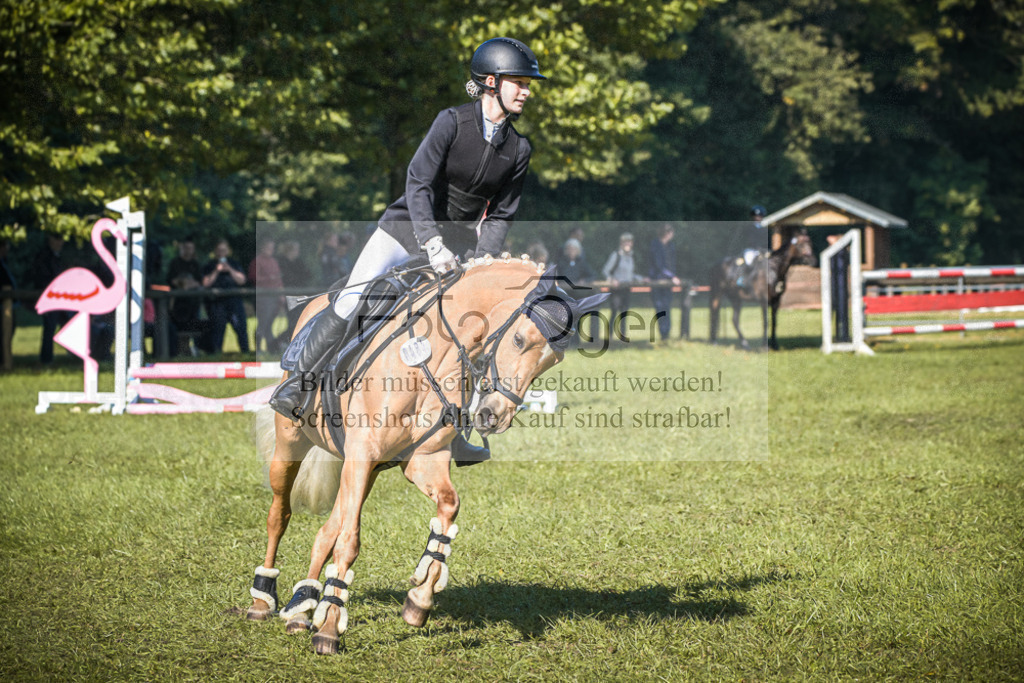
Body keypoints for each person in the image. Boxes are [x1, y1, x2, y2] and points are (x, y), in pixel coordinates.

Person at [270, 36, 546, 433]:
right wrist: (431, 242)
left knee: (467, 331)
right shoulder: (451, 122)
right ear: (490, 82)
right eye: (519, 82)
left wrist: (484, 263)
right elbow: (418, 183)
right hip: (402, 232)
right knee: (352, 300)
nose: (526, 90)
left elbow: (501, 215)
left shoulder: (518, 148)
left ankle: (455, 427)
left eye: (527, 84)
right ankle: (297, 386)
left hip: (460, 249)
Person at [201, 239, 249, 353]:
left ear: (228, 251)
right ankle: (216, 355)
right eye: (219, 250)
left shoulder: (234, 264)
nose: (221, 252)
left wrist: (230, 269)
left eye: (224, 250)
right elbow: (206, 283)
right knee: (217, 331)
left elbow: (242, 280)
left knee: (241, 328)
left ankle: (246, 353)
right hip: (217, 303)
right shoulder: (210, 265)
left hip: (234, 302)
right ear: (215, 251)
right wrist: (217, 271)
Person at [33, 233, 71, 363]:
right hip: (51, 298)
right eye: (58, 239)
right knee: (50, 327)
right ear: (50, 239)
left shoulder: (56, 256)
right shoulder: (45, 257)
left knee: (66, 324)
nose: (61, 243)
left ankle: (73, 354)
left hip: (59, 297)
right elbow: (44, 278)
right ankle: (46, 358)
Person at [166, 236, 207, 355]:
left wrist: (189, 285)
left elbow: (200, 281)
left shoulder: (196, 264)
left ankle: (196, 350)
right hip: (178, 303)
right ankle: (181, 349)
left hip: (194, 303)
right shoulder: (175, 263)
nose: (188, 251)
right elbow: (170, 280)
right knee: (179, 326)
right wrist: (182, 283)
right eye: (186, 248)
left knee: (195, 324)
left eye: (190, 248)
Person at [601, 232, 640, 341]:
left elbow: (631, 274)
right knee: (614, 311)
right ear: (621, 243)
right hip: (616, 288)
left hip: (627, 288)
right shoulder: (616, 255)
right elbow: (606, 270)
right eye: (625, 241)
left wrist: (641, 279)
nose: (628, 244)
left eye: (629, 242)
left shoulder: (631, 256)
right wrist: (612, 280)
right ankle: (609, 337)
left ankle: (622, 336)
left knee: (624, 312)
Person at [248, 237, 284, 353]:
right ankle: (258, 348)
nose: (270, 250)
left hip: (274, 296)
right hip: (263, 296)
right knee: (263, 322)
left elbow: (279, 279)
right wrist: (268, 279)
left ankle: (270, 347)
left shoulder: (274, 261)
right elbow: (254, 278)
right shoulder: (257, 261)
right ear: (263, 248)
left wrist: (281, 293)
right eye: (268, 247)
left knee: (270, 322)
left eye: (272, 248)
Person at [648, 224, 681, 342]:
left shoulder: (670, 246)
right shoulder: (655, 245)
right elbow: (658, 265)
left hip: (668, 282)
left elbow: (672, 263)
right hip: (657, 280)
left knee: (667, 306)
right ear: (667, 233)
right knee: (659, 306)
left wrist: (672, 276)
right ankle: (663, 333)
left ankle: (666, 334)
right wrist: (672, 276)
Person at [730, 205, 773, 289]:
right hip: (751, 250)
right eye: (756, 216)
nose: (758, 218)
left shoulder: (765, 229)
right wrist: (756, 247)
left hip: (763, 251)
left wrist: (769, 249)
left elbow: (768, 241)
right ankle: (742, 279)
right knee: (749, 261)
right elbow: (746, 240)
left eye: (760, 216)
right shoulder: (748, 228)